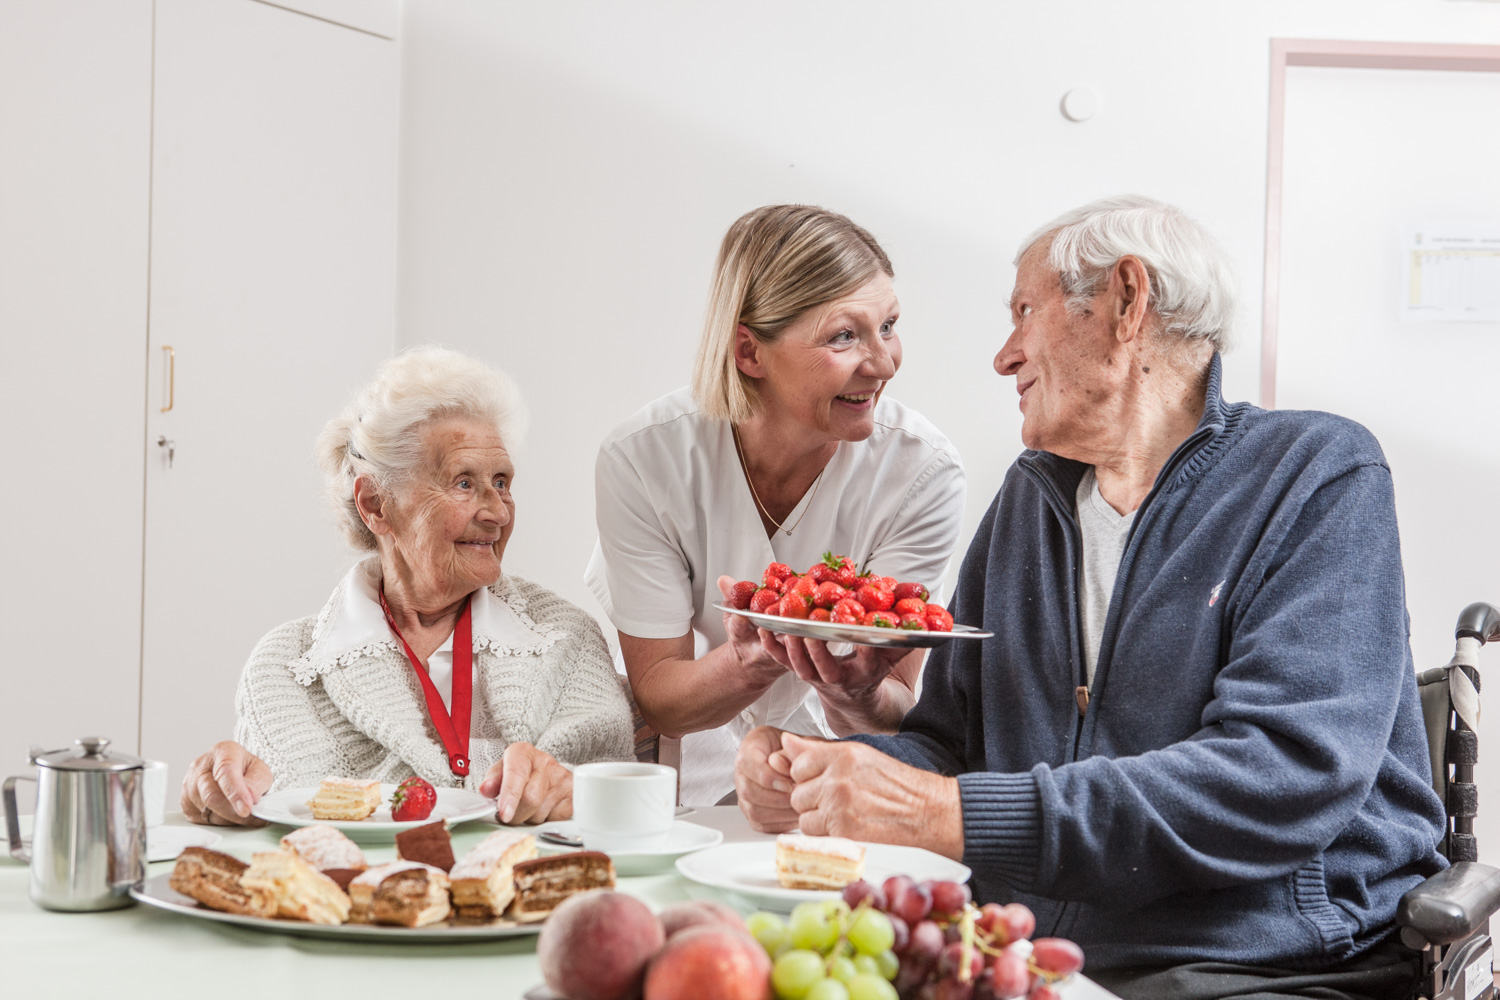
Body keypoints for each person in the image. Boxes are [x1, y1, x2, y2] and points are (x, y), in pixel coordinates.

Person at [735, 196, 1447, 998]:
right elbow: (954, 749)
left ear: (1127, 299)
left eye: (1025, 314)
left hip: (1257, 964)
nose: (1004, 357)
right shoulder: (1026, 503)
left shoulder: (1315, 474)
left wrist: (948, 814)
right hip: (1036, 954)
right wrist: (833, 771)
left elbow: (1280, 774)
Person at [586, 205, 966, 806]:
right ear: (749, 352)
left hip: (848, 767)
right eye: (844, 335)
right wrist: (756, 656)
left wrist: (857, 691)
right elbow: (662, 695)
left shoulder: (923, 473)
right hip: (694, 757)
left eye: (888, 326)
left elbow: (895, 711)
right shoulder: (644, 459)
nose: (885, 362)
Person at [182, 347, 634, 827]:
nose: (498, 512)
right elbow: (284, 824)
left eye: (501, 482)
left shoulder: (565, 639)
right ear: (376, 504)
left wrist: (575, 789)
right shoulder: (284, 669)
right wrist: (232, 791)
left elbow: (623, 797)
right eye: (463, 483)